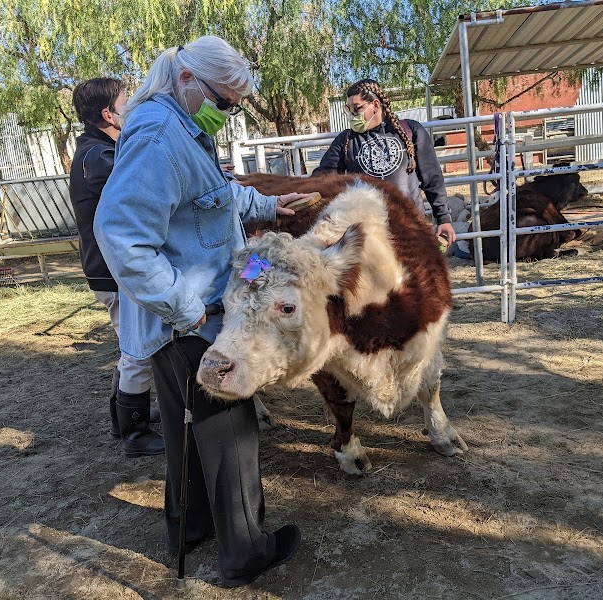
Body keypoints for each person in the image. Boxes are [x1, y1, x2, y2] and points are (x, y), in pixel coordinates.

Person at [93, 37, 304, 586]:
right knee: (233, 432)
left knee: (189, 436)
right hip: (194, 321)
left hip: (199, 313)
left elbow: (215, 197)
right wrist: (188, 310)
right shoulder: (161, 137)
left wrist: (270, 206)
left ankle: (187, 528)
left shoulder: (182, 129)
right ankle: (245, 552)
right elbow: (121, 236)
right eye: (225, 102)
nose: (227, 113)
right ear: (187, 78)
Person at [69, 77, 165, 457]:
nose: (134, 107)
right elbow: (146, 187)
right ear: (109, 114)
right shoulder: (103, 159)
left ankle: (124, 417)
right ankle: (134, 432)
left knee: (133, 347)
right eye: (128, 102)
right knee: (138, 351)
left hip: (111, 268)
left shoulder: (99, 152)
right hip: (114, 270)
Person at [312, 79, 457, 245]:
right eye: (349, 110)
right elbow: (324, 176)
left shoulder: (410, 131)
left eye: (357, 108)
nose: (352, 115)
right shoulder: (345, 140)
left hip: (409, 225)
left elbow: (432, 178)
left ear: (375, 104)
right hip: (368, 232)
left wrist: (443, 218)